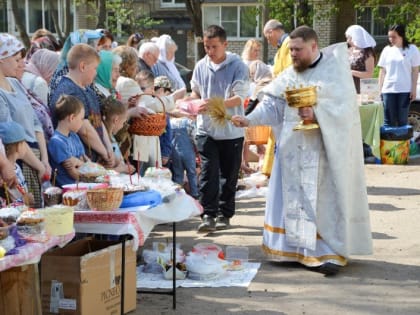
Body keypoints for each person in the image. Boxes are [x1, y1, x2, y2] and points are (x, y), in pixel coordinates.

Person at [231, 26, 372, 275]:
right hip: (291, 151)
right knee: (292, 202)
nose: (293, 54)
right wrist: (249, 119)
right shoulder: (289, 75)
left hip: (322, 154)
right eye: (291, 50)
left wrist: (316, 112)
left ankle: (325, 255)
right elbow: (272, 107)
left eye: (298, 50)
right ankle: (292, 251)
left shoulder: (334, 72)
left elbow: (347, 113)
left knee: (321, 205)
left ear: (314, 46)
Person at [188, 25, 249, 232]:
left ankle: (225, 214)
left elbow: (239, 97)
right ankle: (208, 214)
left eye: (214, 47)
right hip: (206, 129)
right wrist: (194, 103)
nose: (210, 51)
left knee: (229, 175)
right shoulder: (200, 66)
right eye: (207, 47)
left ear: (225, 44)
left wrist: (214, 105)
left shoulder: (238, 66)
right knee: (208, 172)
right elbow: (195, 91)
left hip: (231, 129)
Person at [0, 33, 49, 208]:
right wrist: (38, 165)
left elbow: (35, 121)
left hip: (35, 156)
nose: (22, 63)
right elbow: (13, 138)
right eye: (16, 59)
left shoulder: (16, 83)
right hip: (21, 159)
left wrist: (44, 158)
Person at [49, 43, 115, 168]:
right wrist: (104, 152)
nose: (96, 73)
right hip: (80, 164)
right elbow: (84, 129)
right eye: (95, 68)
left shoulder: (88, 89)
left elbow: (98, 121)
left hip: (97, 157)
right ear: (83, 66)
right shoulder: (69, 91)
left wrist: (108, 148)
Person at [262, 19, 293, 177]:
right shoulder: (284, 46)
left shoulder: (288, 44)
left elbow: (288, 72)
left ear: (271, 32)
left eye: (268, 38)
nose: (269, 41)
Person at [378, 24, 420, 127]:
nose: (391, 39)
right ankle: (389, 142)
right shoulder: (386, 50)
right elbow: (382, 71)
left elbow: (415, 71)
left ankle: (403, 143)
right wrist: (380, 89)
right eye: (389, 37)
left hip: (404, 90)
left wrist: (413, 89)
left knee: (402, 121)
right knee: (388, 121)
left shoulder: (412, 49)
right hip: (388, 90)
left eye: (394, 37)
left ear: (401, 36)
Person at [47, 95, 89, 187]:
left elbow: (85, 162)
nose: (82, 123)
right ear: (72, 117)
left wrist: (78, 163)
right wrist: (90, 176)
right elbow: (74, 173)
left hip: (82, 185)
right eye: (81, 119)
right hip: (70, 190)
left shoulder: (74, 136)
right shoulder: (57, 142)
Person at [0, 121, 35, 206]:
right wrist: (25, 200)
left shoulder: (17, 167)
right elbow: (8, 203)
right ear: (18, 146)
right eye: (24, 143)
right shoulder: (6, 176)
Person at [101, 96, 135, 174]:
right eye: (123, 122)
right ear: (116, 120)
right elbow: (101, 172)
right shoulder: (102, 142)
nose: (123, 126)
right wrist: (122, 169)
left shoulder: (111, 138)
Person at [345, 25, 376, 93]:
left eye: (349, 38)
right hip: (347, 87)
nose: (347, 41)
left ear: (356, 37)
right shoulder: (348, 50)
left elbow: (369, 74)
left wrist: (351, 72)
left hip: (360, 88)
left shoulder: (367, 53)